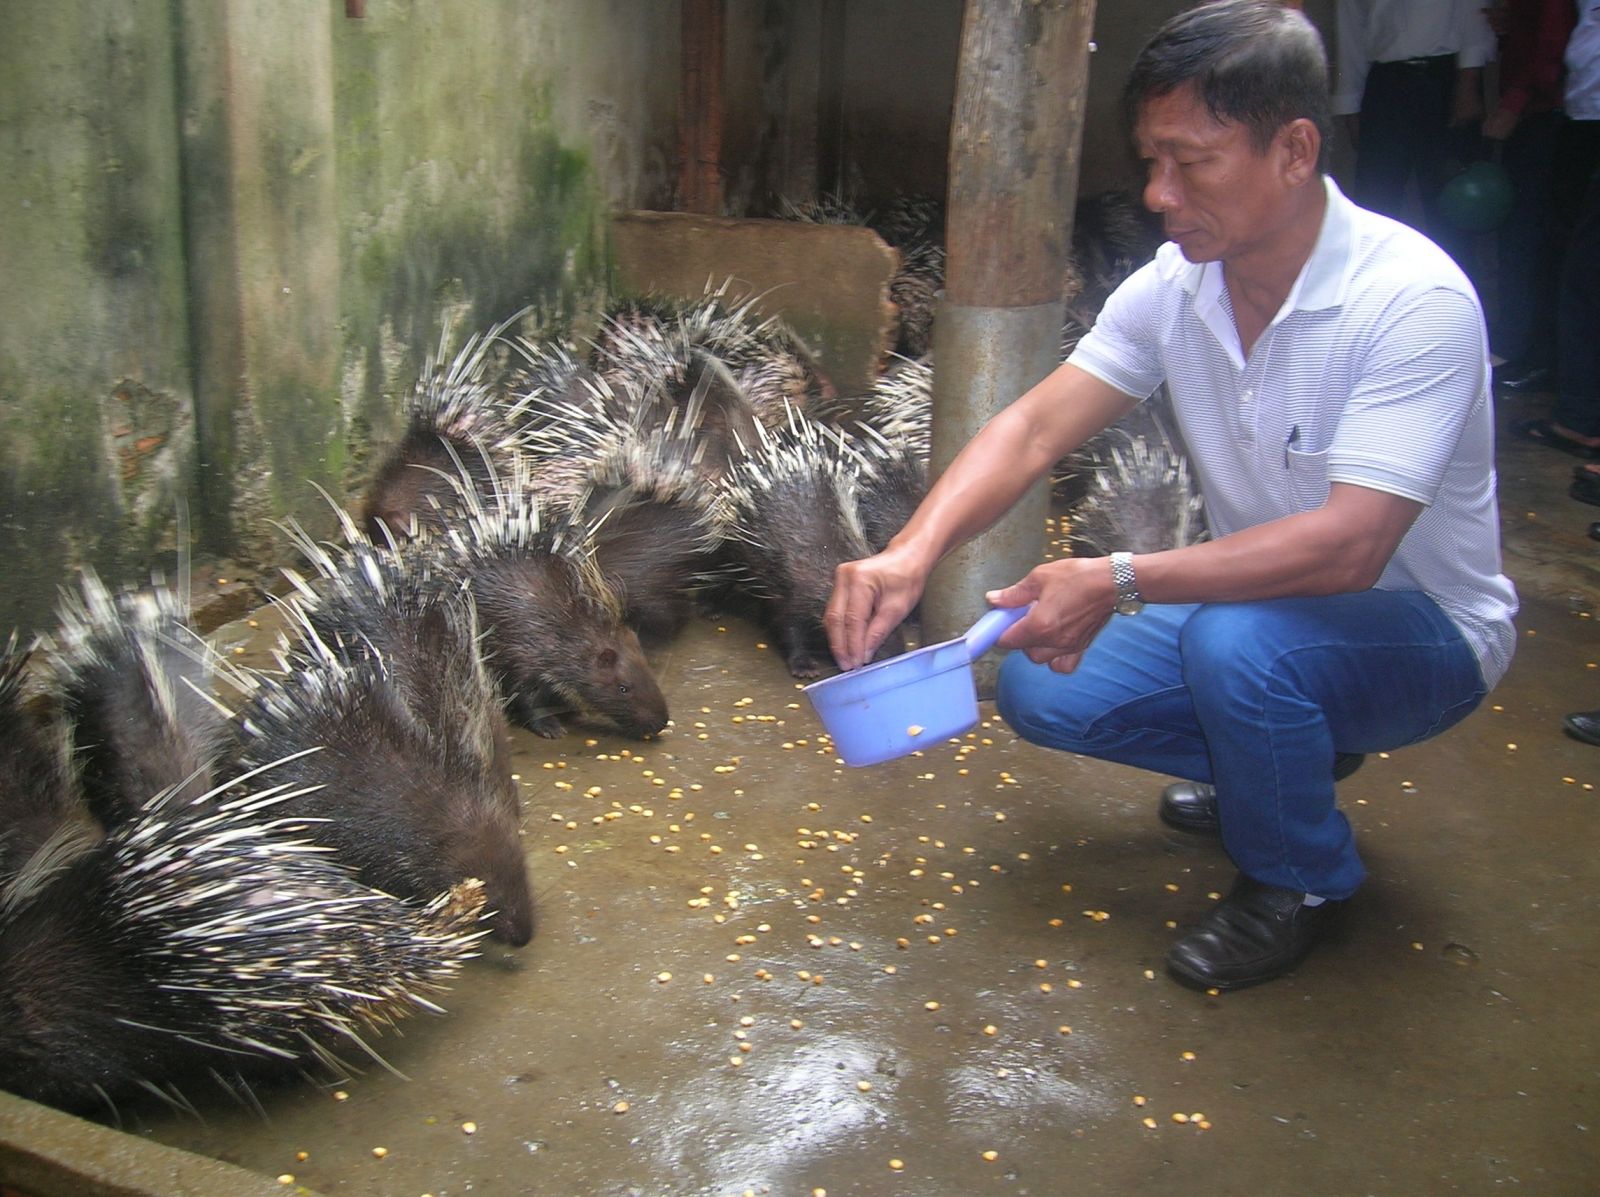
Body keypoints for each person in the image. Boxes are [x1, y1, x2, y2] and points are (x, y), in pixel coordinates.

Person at [824, 0, 1518, 993]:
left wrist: (1116, 577)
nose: (1156, 193)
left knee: (1236, 648)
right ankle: (1276, 768)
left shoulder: (1412, 303)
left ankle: (1299, 880)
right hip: (1269, 612)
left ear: (1293, 149)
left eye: (1189, 162)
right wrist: (910, 550)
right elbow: (1029, 428)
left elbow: (1348, 551)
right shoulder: (1176, 286)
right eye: (1150, 161)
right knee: (1039, 678)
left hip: (1425, 631)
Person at [1333, 0, 1497, 276]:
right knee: (1374, 206)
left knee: (1451, 206)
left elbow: (1472, 8)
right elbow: (1351, 22)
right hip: (1386, 80)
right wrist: (1350, 104)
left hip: (1446, 76)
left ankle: (1451, 305)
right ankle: (1374, 302)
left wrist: (1468, 80)